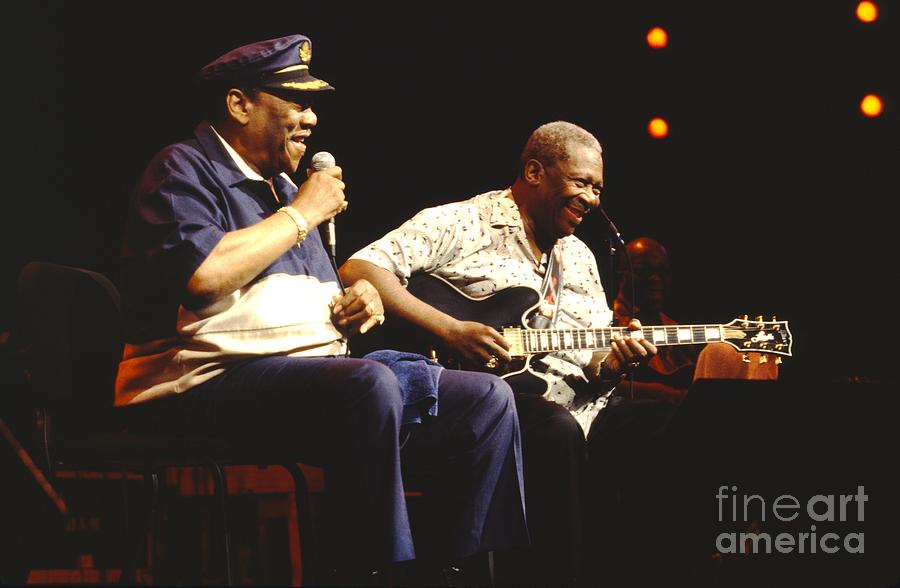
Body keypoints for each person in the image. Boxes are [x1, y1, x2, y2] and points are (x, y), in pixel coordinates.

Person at [113, 34, 528, 584]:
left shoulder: (285, 188)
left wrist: (362, 301)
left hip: (303, 373)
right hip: (203, 380)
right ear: (239, 104)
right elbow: (203, 276)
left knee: (488, 400)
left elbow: (315, 300)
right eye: (295, 101)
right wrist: (303, 212)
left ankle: (467, 570)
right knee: (369, 386)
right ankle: (370, 571)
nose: (310, 118)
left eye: (312, 105)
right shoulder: (183, 170)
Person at [341, 121, 657, 587]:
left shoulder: (581, 258)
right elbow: (360, 268)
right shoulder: (464, 221)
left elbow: (593, 362)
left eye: (598, 188)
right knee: (554, 429)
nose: (591, 199)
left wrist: (615, 364)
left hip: (574, 404)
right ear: (534, 172)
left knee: (654, 423)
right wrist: (450, 330)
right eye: (581, 182)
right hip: (480, 404)